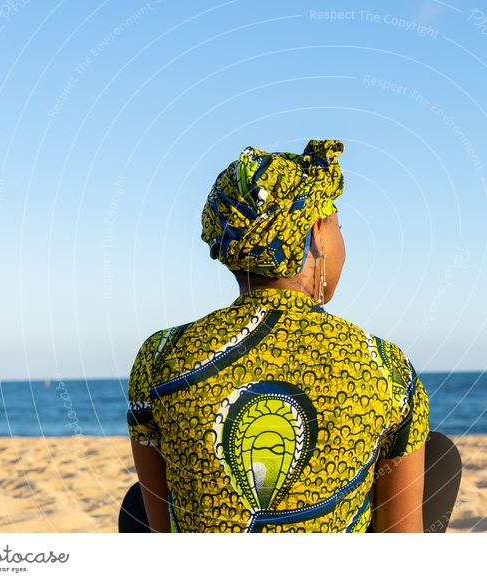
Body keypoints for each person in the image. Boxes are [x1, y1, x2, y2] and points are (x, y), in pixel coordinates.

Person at [126, 139, 460, 533]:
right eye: (338, 226)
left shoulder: (161, 356)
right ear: (318, 233)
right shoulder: (382, 366)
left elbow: (164, 535)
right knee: (440, 454)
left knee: (137, 501)